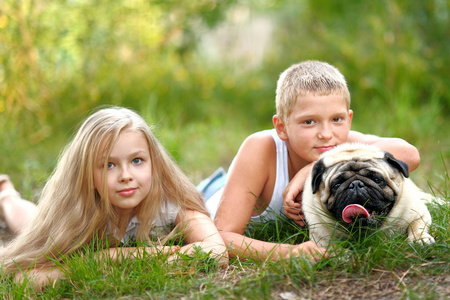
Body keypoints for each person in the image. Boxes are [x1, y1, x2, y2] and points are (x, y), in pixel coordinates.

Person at [202, 60, 420, 261]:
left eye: (336, 119)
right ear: (282, 127)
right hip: (215, 194)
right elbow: (222, 237)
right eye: (309, 122)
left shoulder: (341, 143)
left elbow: (410, 155)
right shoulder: (262, 148)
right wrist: (292, 252)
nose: (326, 133)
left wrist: (310, 169)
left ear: (349, 119)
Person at [0, 106, 228, 289]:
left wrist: (130, 259)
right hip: (65, 218)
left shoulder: (169, 200)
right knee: (31, 224)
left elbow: (217, 251)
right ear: (86, 173)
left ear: (154, 162)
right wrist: (103, 259)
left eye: (137, 161)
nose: (126, 176)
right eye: (109, 165)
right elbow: (23, 277)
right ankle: (6, 195)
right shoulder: (77, 211)